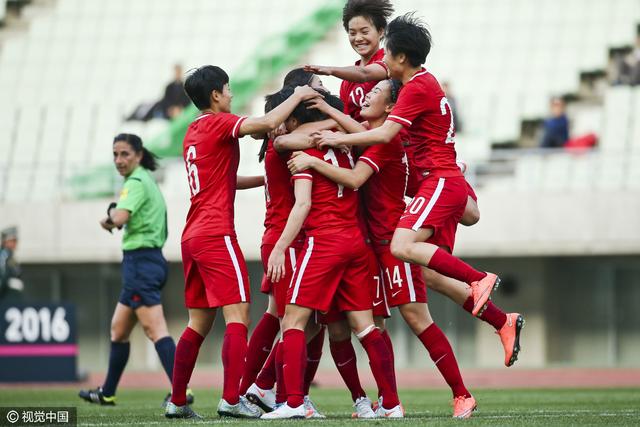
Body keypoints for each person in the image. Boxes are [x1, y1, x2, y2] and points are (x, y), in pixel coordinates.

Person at [311, 12, 522, 353]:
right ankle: (501, 321)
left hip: (437, 180)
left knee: (404, 249)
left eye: (385, 52)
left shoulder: (414, 88)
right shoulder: (419, 86)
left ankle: (479, 278)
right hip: (436, 181)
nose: (382, 62)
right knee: (431, 269)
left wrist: (334, 140)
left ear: (398, 57)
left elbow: (381, 136)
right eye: (352, 31)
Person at [289, 79, 485, 418]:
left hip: (393, 243)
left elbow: (353, 178)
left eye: (375, 93)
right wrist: (329, 114)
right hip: (370, 247)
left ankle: (461, 393)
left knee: (416, 317)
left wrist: (316, 157)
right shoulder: (370, 134)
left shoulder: (385, 140)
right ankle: (387, 402)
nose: (366, 96)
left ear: (392, 107)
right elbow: (355, 131)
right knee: (372, 325)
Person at [164, 65, 320, 420]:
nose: (232, 95)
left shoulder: (193, 131)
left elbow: (222, 179)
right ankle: (232, 398)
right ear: (216, 95)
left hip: (192, 235)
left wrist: (264, 178)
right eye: (228, 89)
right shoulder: (219, 122)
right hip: (215, 233)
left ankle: (176, 400)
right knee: (238, 316)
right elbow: (263, 126)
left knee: (197, 323)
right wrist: (296, 94)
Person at [260, 86, 403, 420]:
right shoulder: (351, 144)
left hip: (324, 242)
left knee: (293, 320)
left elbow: (303, 203)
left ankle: (293, 402)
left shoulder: (304, 154)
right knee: (365, 327)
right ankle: (391, 404)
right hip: (356, 242)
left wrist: (280, 247)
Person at [79, 134, 184, 407]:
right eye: (115, 154)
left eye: (124, 154)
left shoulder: (136, 182)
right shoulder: (146, 179)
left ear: (138, 155)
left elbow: (121, 217)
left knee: (156, 329)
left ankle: (182, 392)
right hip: (148, 261)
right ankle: (108, 392)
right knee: (119, 330)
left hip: (141, 263)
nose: (118, 160)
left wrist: (109, 219)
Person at [0, 226, 24, 303]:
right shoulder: (4, 255)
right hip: (6, 298)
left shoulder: (10, 257)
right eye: (13, 241)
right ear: (6, 241)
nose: (15, 243)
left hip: (12, 298)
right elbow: (3, 277)